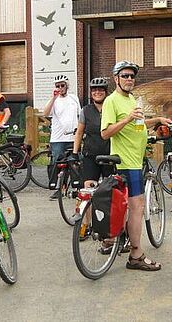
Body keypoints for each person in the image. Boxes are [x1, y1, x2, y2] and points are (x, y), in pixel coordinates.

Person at [101, 60, 172, 271]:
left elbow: (137, 124)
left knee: (129, 206)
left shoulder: (132, 99)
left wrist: (157, 119)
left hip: (135, 158)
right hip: (125, 162)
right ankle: (136, 254)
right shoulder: (111, 101)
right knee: (137, 207)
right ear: (116, 79)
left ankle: (120, 240)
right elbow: (105, 132)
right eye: (125, 76)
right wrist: (127, 120)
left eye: (132, 76)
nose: (129, 79)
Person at [72, 78, 112, 238]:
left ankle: (107, 224)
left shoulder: (111, 108)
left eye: (101, 89)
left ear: (105, 92)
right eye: (94, 89)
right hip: (91, 155)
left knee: (109, 191)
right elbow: (80, 132)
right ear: (91, 93)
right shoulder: (86, 110)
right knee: (87, 190)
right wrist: (75, 152)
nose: (97, 92)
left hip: (110, 155)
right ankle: (86, 225)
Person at [43, 74, 80, 200]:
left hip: (73, 137)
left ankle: (75, 188)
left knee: (74, 163)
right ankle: (58, 188)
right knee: (57, 164)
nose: (60, 88)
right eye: (57, 86)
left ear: (67, 86)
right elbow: (45, 113)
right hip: (58, 138)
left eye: (62, 85)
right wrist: (53, 98)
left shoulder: (74, 98)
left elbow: (79, 115)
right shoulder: (54, 101)